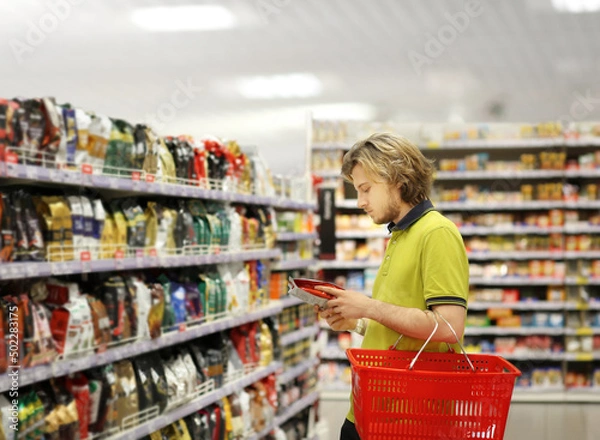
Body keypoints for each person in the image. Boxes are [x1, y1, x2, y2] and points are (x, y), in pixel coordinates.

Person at [315, 132, 469, 440]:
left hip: (407, 420)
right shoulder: (400, 234)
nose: (360, 201)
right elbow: (402, 323)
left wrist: (369, 306)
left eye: (366, 189)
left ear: (396, 177)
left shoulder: (437, 232)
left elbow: (449, 327)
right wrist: (357, 321)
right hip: (370, 408)